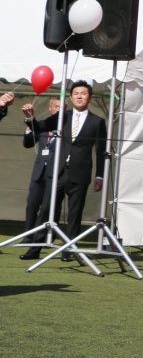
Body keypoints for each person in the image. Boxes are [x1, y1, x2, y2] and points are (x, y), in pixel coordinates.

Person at [21, 82, 107, 262]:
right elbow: (41, 127)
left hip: (80, 172)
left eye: (83, 93)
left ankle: (69, 250)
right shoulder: (62, 116)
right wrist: (30, 119)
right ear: (71, 97)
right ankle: (35, 248)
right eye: (76, 93)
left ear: (89, 97)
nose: (79, 96)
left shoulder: (97, 121)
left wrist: (100, 175)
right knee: (46, 209)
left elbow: (101, 150)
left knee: (75, 213)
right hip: (57, 170)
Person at [19, 97, 62, 259]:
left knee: (48, 207)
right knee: (32, 205)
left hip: (56, 171)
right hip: (39, 170)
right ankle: (28, 237)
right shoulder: (43, 126)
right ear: (51, 108)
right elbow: (28, 144)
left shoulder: (66, 127)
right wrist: (30, 127)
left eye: (62, 107)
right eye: (56, 106)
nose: (59, 109)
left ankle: (44, 238)